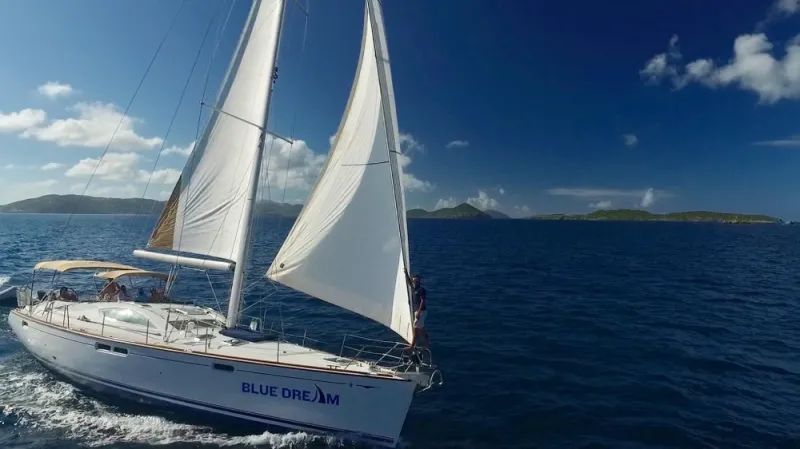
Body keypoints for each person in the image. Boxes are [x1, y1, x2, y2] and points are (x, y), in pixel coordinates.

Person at [404, 268, 429, 350]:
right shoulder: (413, 288)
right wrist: (406, 273)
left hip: (421, 311)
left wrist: (418, 312)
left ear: (419, 282)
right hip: (416, 311)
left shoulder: (421, 290)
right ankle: (426, 340)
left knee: (416, 328)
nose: (415, 283)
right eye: (414, 281)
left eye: (416, 281)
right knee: (419, 329)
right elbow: (409, 282)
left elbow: (422, 301)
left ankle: (412, 346)